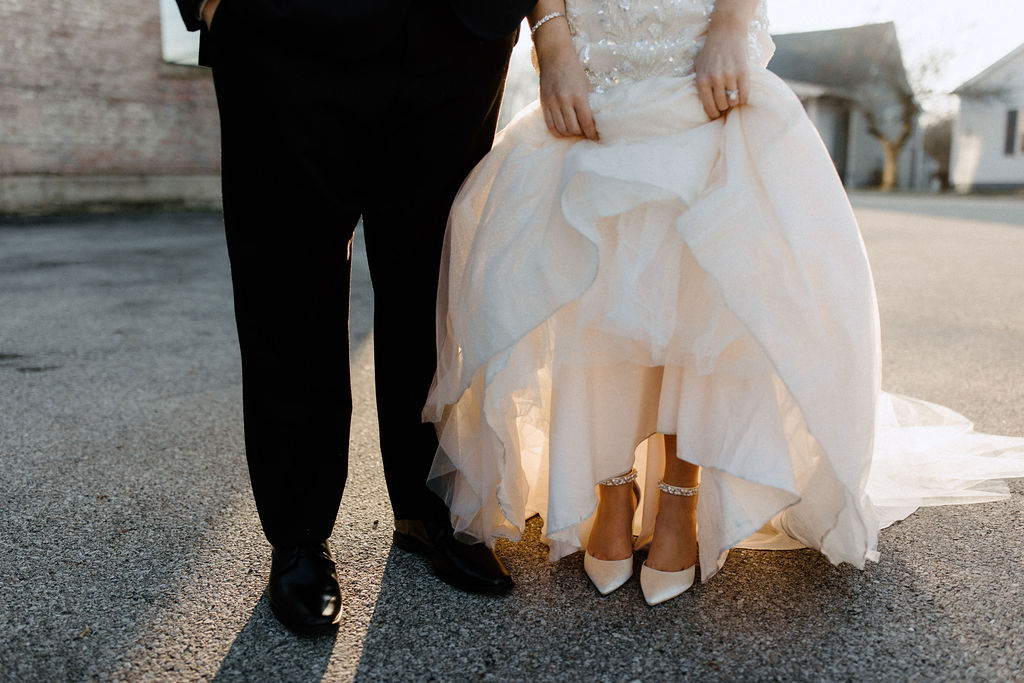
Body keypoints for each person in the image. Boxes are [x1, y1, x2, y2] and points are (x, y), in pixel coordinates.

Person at [423, 0, 1024, 607]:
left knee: (700, 277)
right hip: (595, 29)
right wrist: (551, 42)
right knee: (598, 269)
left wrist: (732, 23)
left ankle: (681, 496)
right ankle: (613, 488)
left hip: (695, 21)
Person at [173, 0, 537, 634]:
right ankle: (299, 533)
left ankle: (429, 504)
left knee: (434, 278)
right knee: (288, 284)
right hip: (285, 33)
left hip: (456, 34)